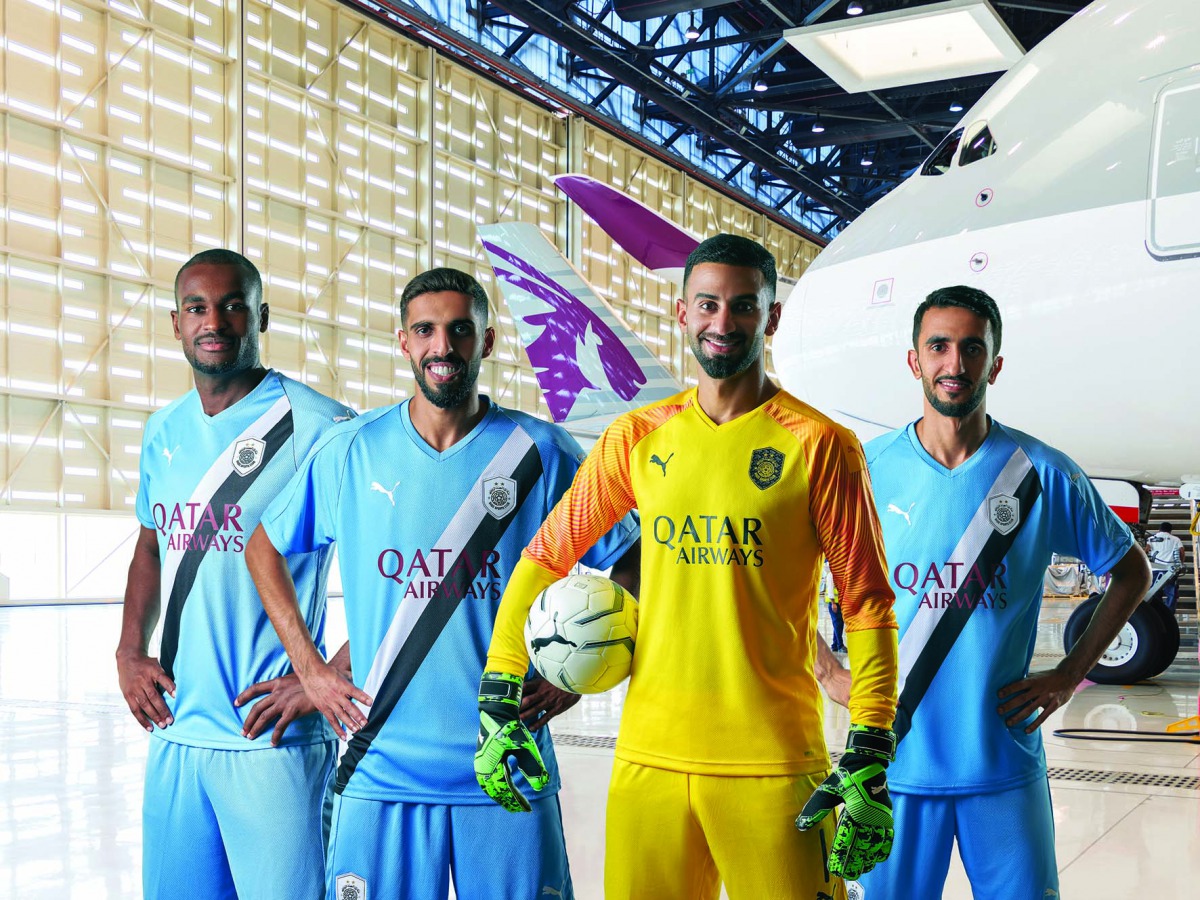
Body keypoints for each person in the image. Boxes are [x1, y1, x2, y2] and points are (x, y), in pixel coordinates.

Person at [474, 234, 900, 899]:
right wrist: (499, 690)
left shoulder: (821, 446)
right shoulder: (637, 438)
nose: (722, 323)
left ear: (772, 317)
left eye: (742, 307)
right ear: (682, 313)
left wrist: (871, 747)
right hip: (649, 762)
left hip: (775, 764)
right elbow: (545, 556)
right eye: (707, 305)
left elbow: (868, 603)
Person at [245, 267, 639, 900]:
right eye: (426, 330)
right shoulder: (352, 450)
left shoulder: (541, 451)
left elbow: (635, 559)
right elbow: (262, 546)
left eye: (460, 329)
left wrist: (577, 677)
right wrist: (311, 669)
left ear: (486, 340)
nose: (443, 346)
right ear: (404, 341)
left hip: (507, 761)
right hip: (379, 767)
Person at [840, 285, 1151, 900]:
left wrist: (1070, 671)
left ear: (995, 364)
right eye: (939, 346)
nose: (954, 364)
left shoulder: (1041, 471)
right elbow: (793, 577)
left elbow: (1133, 572)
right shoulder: (865, 470)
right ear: (914, 360)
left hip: (1002, 763)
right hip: (891, 766)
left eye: (972, 348)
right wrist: (826, 668)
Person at [115, 249, 354, 899]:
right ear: (175, 323)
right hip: (175, 735)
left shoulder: (322, 427)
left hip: (269, 743)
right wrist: (129, 651)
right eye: (197, 308)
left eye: (232, 305)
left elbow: (393, 566)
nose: (213, 320)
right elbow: (150, 546)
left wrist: (328, 674)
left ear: (261, 316)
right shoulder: (161, 430)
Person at [1147, 521, 1185, 610]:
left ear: (1159, 529)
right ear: (1170, 530)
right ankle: (1169, 613)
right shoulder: (1175, 539)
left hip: (1155, 570)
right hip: (1170, 571)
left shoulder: (1151, 539)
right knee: (1171, 593)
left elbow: (1146, 551)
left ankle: (1157, 612)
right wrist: (1181, 565)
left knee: (1154, 593)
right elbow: (1182, 552)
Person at [822, 560, 847, 652]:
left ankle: (834, 645)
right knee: (837, 624)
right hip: (834, 604)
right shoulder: (831, 575)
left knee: (838, 624)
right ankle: (840, 645)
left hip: (838, 603)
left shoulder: (836, 575)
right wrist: (833, 603)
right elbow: (831, 590)